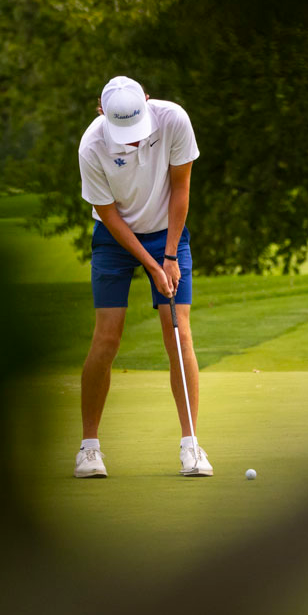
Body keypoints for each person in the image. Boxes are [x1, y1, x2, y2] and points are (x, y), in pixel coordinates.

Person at [74, 75, 213, 479]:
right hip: (115, 238)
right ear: (101, 113)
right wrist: (152, 266)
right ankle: (89, 449)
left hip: (167, 231)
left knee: (178, 331)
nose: (133, 142)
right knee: (107, 337)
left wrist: (169, 255)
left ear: (148, 102)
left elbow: (181, 187)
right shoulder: (91, 146)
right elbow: (111, 216)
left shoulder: (173, 120)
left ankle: (191, 446)